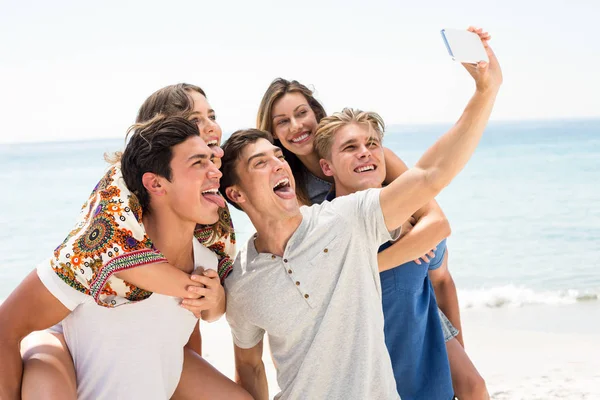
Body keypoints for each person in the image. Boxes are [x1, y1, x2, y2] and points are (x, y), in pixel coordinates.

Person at [219, 32, 501, 399]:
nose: (364, 154)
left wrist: (484, 93)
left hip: (410, 300)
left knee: (469, 385)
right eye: (281, 123)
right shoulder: (287, 224)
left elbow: (433, 181)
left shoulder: (356, 202)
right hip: (362, 313)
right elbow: (255, 358)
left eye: (301, 113)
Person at [0, 116, 251, 400]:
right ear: (155, 184)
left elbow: (180, 349)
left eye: (211, 161)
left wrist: (216, 303)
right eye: (198, 163)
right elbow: (6, 328)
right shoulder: (94, 258)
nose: (215, 172)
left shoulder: (207, 262)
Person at [316, 108, 486, 400]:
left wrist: (459, 359)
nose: (365, 153)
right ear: (326, 167)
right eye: (350, 147)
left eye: (372, 144)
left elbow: (441, 281)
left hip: (429, 388)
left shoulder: (419, 224)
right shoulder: (318, 234)